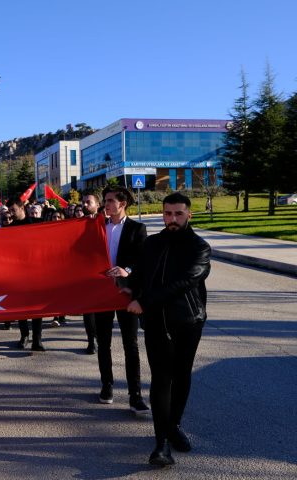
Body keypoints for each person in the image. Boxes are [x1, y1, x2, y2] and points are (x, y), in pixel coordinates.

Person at [124, 192, 211, 466]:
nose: (172, 219)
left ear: (189, 215)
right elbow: (139, 274)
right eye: (168, 214)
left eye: (178, 214)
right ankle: (161, 444)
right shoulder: (152, 243)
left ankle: (173, 426)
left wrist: (144, 301)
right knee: (161, 379)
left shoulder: (200, 247)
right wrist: (126, 284)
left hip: (188, 322)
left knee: (181, 376)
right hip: (157, 324)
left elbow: (184, 282)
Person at [94, 185, 150, 415]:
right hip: (101, 293)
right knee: (103, 342)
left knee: (131, 344)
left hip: (126, 292)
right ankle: (107, 385)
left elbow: (143, 260)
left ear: (122, 203)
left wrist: (127, 270)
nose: (105, 204)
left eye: (109, 201)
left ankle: (135, 395)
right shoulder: (97, 227)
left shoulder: (138, 228)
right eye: (104, 201)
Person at [7, 199, 44, 351]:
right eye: (9, 211)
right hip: (18, 273)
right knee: (21, 307)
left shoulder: (38, 224)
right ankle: (24, 335)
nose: (11, 214)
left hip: (36, 272)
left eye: (13, 210)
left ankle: (37, 339)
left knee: (37, 308)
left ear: (22, 207)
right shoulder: (9, 229)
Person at [81, 191, 102, 354]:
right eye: (83, 202)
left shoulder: (106, 222)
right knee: (88, 310)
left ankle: (100, 336)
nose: (85, 205)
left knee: (102, 308)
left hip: (103, 272)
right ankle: (91, 340)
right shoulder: (77, 223)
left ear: (97, 205)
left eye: (89, 202)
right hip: (85, 272)